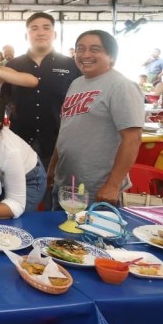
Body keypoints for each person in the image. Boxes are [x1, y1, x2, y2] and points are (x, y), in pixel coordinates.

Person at [50, 30, 142, 206]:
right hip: (65, 183)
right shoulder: (76, 83)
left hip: (98, 190)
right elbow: (67, 128)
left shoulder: (121, 86)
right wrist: (53, 167)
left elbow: (132, 138)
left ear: (111, 56)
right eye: (80, 49)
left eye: (95, 49)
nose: (85, 55)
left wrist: (113, 185)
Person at [3, 12, 81, 169]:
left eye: (46, 28)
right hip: (20, 142)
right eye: (34, 28)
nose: (40, 33)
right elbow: (4, 98)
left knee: (56, 183)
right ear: (26, 35)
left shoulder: (70, 65)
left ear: (54, 34)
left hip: (58, 144)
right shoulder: (13, 65)